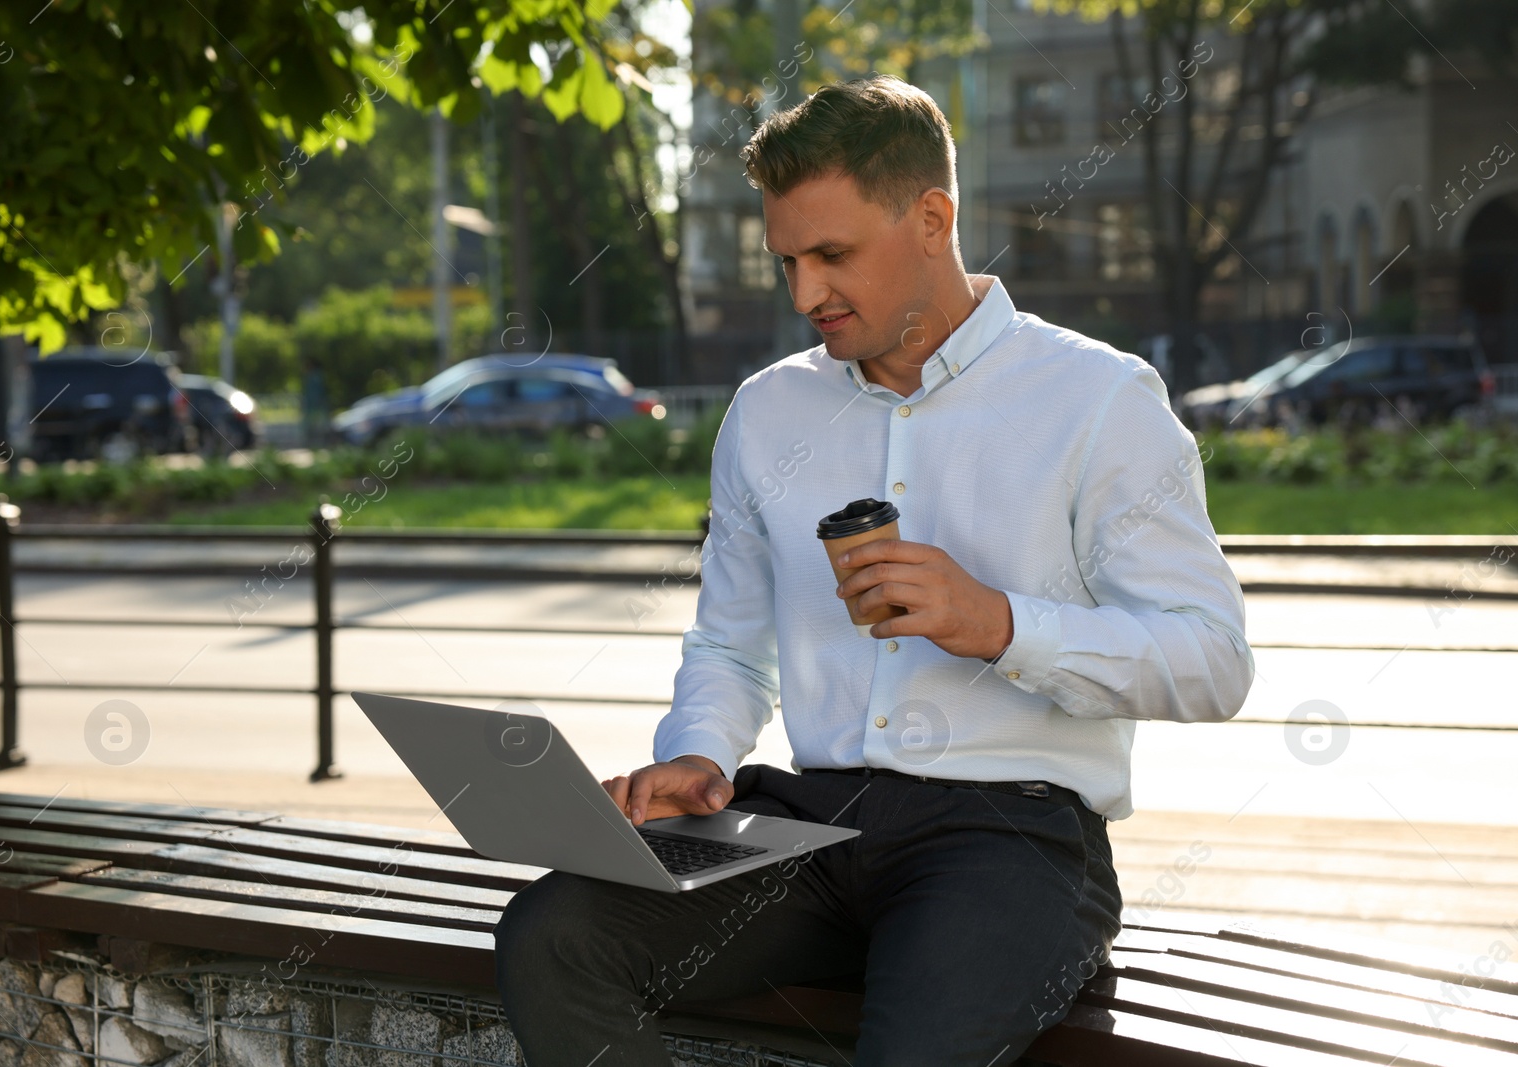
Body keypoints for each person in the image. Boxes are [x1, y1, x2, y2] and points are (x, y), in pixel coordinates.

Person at [494, 76, 1255, 1065]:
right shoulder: (766, 412)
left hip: (1008, 835)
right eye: (787, 261)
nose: (806, 292)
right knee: (553, 936)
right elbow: (729, 641)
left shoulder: (1097, 398)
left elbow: (1211, 661)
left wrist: (999, 622)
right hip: (810, 823)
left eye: (833, 255)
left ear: (931, 218)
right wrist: (698, 754)